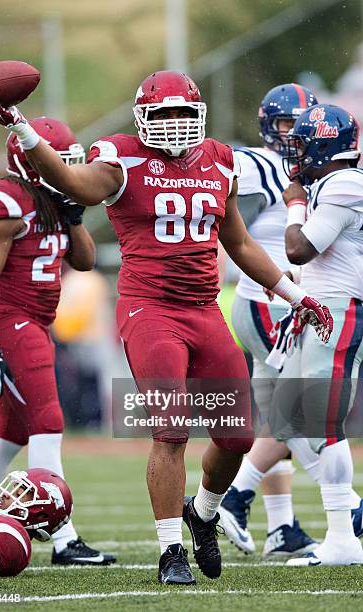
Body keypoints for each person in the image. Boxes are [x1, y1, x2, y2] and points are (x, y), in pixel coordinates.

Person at [0, 70, 333, 584]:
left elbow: (242, 244)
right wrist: (22, 127)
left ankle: (203, 513)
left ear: (198, 116)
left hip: (204, 310)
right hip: (150, 310)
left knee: (239, 435)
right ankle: (170, 552)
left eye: (182, 114)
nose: (173, 124)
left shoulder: (218, 159)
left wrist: (295, 295)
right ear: (143, 117)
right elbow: (75, 185)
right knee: (171, 429)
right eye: (162, 114)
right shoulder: (121, 157)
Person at [0, 117, 115, 567]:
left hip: (38, 324)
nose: (67, 170)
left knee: (10, 434)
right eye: (59, 162)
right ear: (30, 161)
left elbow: (83, 261)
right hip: (10, 323)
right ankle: (64, 539)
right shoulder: (5, 198)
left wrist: (74, 215)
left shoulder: (52, 200)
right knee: (47, 421)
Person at [218, 84, 319, 556]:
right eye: (285, 124)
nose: (292, 133)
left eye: (301, 124)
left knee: (278, 416)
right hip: (271, 301)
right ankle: (234, 495)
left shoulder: (313, 165)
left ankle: (281, 528)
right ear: (267, 125)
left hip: (288, 302)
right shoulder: (257, 163)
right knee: (301, 410)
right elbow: (231, 228)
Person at [266, 103, 363, 566]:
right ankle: (349, 520)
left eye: (304, 143)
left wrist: (295, 203)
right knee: (294, 417)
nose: (297, 153)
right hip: (326, 309)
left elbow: (299, 247)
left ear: (324, 144)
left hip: (344, 309)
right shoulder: (336, 182)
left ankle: (344, 538)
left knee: (323, 422)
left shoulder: (344, 183)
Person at [0, 468, 72, 577]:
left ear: (40, 515)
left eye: (18, 494)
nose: (6, 494)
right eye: (13, 490)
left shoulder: (12, 539)